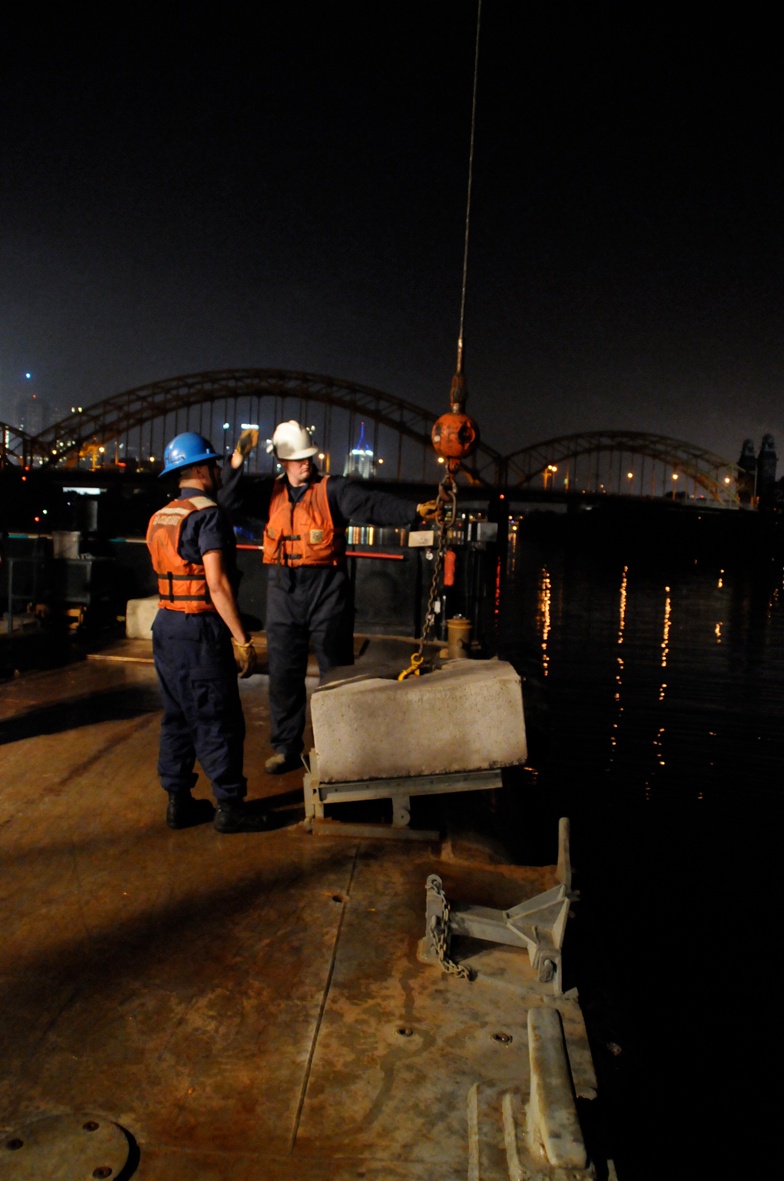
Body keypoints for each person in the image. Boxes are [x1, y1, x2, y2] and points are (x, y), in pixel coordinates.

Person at [221, 421, 438, 774]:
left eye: (309, 456)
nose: (306, 463)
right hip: (283, 591)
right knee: (284, 674)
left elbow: (372, 504)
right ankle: (286, 748)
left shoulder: (334, 490)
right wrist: (236, 461)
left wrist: (413, 511)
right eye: (298, 458)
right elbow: (229, 500)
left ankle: (339, 746)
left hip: (327, 591)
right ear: (282, 461)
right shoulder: (269, 493)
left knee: (336, 672)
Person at [146, 431, 267, 833]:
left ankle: (178, 802)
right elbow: (217, 585)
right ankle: (230, 807)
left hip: (165, 624)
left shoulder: (163, 515)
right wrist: (242, 640)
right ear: (198, 469)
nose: (218, 471)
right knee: (218, 716)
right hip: (198, 628)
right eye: (213, 465)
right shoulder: (209, 516)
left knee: (178, 715)